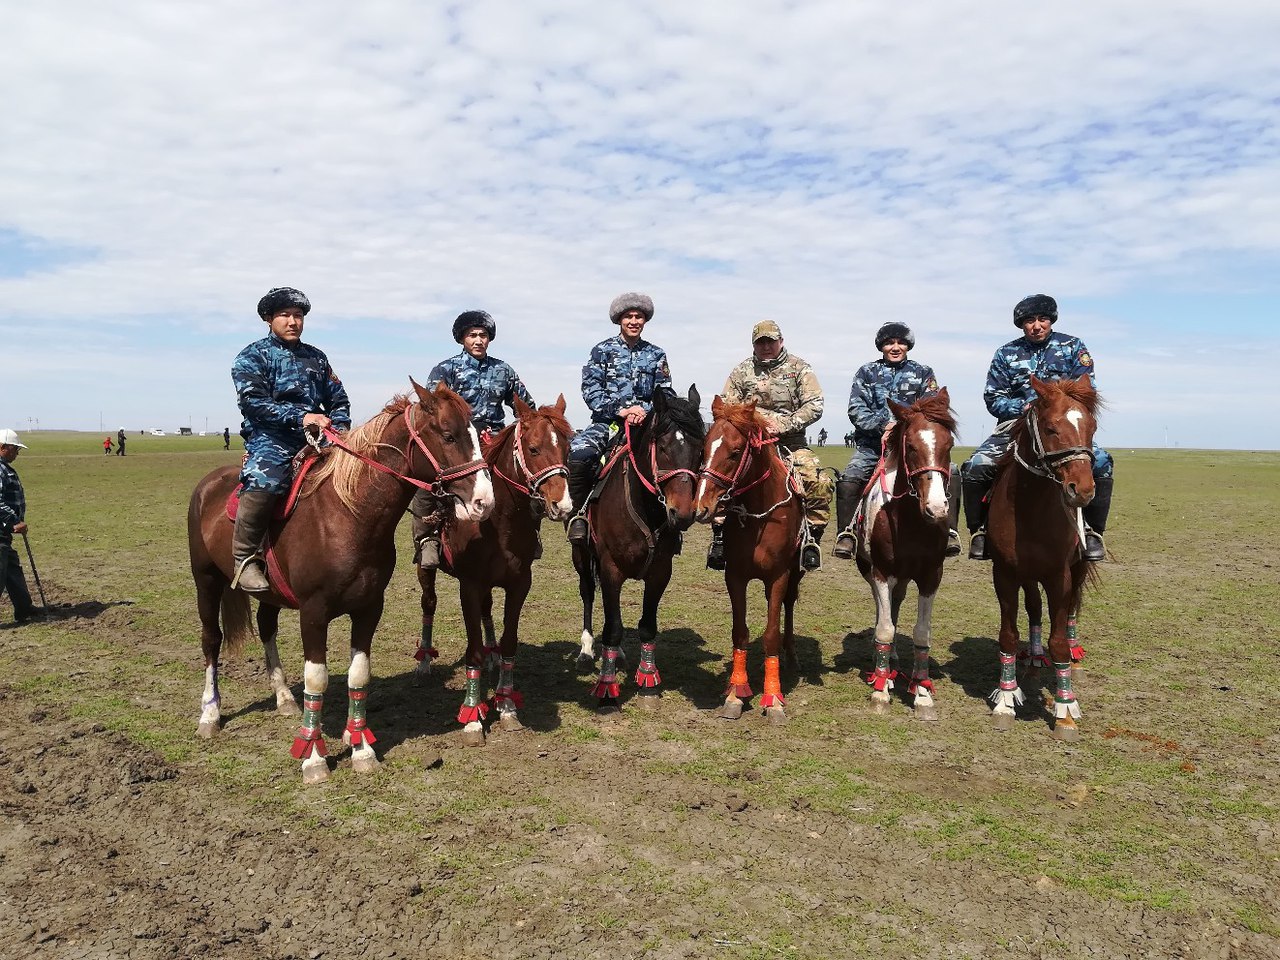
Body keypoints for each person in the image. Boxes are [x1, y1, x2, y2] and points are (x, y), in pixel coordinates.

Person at [960, 294, 1113, 562]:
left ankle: (1092, 531)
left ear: (1051, 320)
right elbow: (993, 397)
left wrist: (1057, 410)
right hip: (1015, 426)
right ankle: (980, 532)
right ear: (1022, 325)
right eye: (1030, 321)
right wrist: (1023, 408)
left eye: (1042, 319)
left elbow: (1087, 391)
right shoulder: (1006, 353)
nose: (1037, 325)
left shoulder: (1073, 347)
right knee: (976, 465)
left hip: (1062, 428)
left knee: (1101, 462)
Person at [230, 287, 351, 592]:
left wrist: (339, 428)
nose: (293, 321)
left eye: (298, 316)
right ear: (269, 319)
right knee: (265, 479)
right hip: (271, 438)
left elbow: (339, 399)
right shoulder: (251, 357)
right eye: (285, 315)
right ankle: (245, 558)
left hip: (319, 438)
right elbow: (253, 403)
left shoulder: (317, 358)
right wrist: (301, 418)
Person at [410, 310, 536, 569]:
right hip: (458, 442)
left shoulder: (503, 370)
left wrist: (511, 435)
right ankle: (428, 540)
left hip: (493, 440)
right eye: (472, 335)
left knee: (527, 480)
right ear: (462, 339)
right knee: (428, 485)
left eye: (484, 335)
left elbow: (527, 408)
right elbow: (432, 408)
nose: (478, 340)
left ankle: (531, 533)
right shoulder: (445, 369)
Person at [708, 320, 831, 571]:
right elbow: (728, 408)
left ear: (780, 342)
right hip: (752, 443)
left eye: (770, 341)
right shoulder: (741, 371)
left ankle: (811, 541)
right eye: (760, 342)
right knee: (720, 476)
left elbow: (815, 405)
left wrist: (783, 424)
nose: (765, 346)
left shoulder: (799, 368)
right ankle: (720, 537)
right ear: (754, 344)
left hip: (790, 442)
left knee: (819, 482)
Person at [832, 322, 960, 559]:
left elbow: (932, 408)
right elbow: (856, 408)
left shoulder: (923, 372)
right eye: (889, 342)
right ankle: (846, 534)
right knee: (850, 479)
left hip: (912, 446)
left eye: (901, 342)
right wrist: (882, 425)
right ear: (881, 346)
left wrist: (904, 427)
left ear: (908, 345)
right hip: (873, 446)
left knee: (951, 471)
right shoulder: (866, 372)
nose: (895, 347)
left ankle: (950, 530)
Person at [566, 293, 674, 544]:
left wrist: (646, 413)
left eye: (639, 317)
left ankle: (673, 522)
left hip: (647, 424)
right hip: (609, 422)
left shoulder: (657, 354)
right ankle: (578, 515)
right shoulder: (601, 351)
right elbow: (590, 389)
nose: (634, 321)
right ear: (619, 320)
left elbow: (665, 391)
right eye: (629, 317)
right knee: (579, 454)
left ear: (645, 321)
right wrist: (621, 410)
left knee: (678, 456)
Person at [0, 429, 40, 624]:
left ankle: (24, 609)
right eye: (15, 449)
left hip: (3, 533)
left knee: (11, 568)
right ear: (2, 447)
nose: (17, 453)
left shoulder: (4, 468)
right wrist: (15, 520)